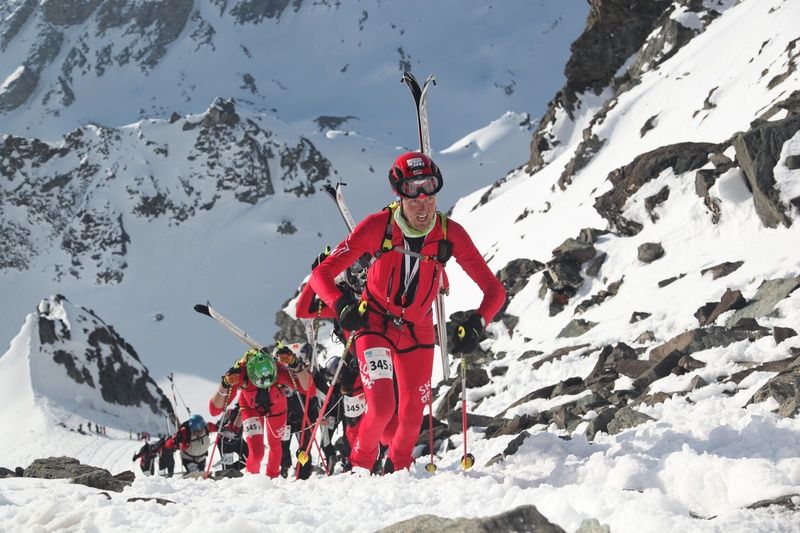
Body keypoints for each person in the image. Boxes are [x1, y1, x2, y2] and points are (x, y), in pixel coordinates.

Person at [308, 151, 505, 474]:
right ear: (399, 194)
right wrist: (341, 305)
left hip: (418, 330)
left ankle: (401, 471)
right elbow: (321, 276)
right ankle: (357, 467)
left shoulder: (449, 234)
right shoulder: (376, 227)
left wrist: (477, 323)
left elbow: (494, 291)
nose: (423, 203)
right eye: (414, 193)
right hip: (374, 323)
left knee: (413, 415)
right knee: (383, 405)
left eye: (430, 191)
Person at [209, 348, 314, 478]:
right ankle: (252, 481)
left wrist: (295, 364)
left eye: (270, 382)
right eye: (259, 383)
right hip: (250, 407)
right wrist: (224, 384)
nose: (264, 385)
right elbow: (214, 410)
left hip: (277, 407)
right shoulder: (240, 374)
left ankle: (272, 480)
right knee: (257, 452)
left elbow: (310, 390)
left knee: (275, 446)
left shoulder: (279, 370)